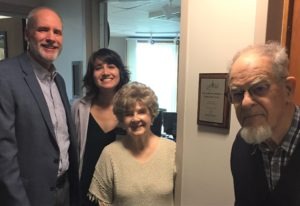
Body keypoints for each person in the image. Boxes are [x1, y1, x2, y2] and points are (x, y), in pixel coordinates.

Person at [0, 7, 79, 206]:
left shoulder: (58, 80)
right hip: (28, 196)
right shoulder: (5, 75)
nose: (51, 37)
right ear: (27, 34)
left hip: (65, 190)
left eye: (57, 32)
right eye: (43, 29)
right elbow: (4, 153)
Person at [229, 42, 300, 206]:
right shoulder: (242, 145)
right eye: (237, 93)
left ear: (288, 89)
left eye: (259, 88)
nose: (245, 103)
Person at [88, 81, 176, 206]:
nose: (135, 119)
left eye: (141, 112)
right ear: (121, 120)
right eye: (128, 114)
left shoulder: (172, 150)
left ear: (152, 115)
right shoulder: (110, 154)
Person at [71, 48, 130, 206]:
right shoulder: (79, 108)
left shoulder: (132, 109)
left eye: (111, 66)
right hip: (85, 194)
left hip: (121, 193)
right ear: (92, 75)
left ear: (120, 71)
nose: (105, 72)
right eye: (98, 68)